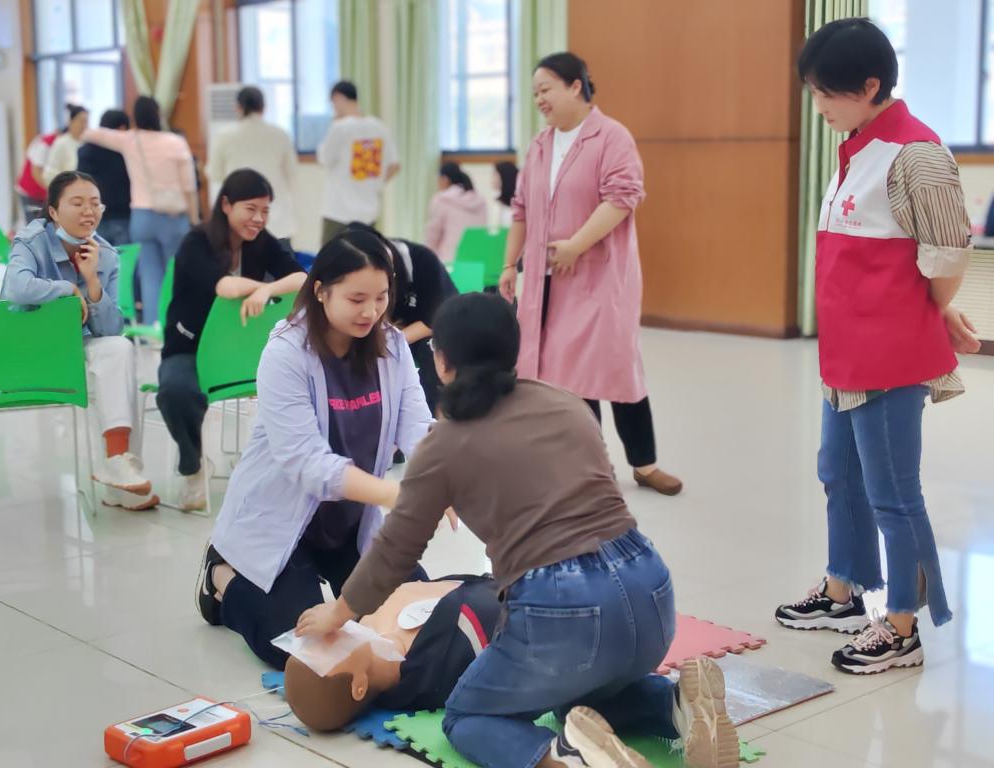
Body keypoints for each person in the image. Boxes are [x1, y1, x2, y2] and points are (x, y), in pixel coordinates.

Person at [296, 294, 739, 768]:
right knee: (578, 696)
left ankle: (570, 759)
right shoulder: (566, 403)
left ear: (441, 361)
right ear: (515, 351)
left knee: (467, 716)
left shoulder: (444, 443)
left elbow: (395, 551)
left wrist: (339, 613)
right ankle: (678, 706)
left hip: (565, 611)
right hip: (651, 590)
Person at [774, 19, 980, 675]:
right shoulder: (858, 147)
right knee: (837, 473)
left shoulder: (917, 154)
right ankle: (842, 589)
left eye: (824, 93)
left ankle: (901, 625)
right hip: (846, 352)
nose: (818, 106)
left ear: (868, 86)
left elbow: (946, 255)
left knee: (893, 492)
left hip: (889, 356)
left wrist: (936, 311)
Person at [194, 227, 438, 669]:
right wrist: (392, 493)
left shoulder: (392, 347)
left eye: (381, 297)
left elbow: (417, 426)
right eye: (357, 299)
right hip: (282, 523)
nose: (371, 311)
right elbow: (306, 463)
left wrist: (441, 477)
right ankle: (222, 577)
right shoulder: (286, 353)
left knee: (411, 620)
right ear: (321, 291)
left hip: (348, 521)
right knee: (298, 647)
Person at [498, 52, 682, 496]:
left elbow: (622, 197)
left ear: (575, 86)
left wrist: (576, 245)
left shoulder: (611, 136)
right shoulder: (540, 145)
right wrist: (508, 263)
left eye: (546, 89)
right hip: (545, 280)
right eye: (535, 92)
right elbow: (520, 209)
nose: (539, 99)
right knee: (565, 376)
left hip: (599, 277)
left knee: (616, 368)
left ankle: (645, 464)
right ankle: (590, 466)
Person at [1, 171, 157, 510]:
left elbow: (111, 330)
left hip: (76, 345)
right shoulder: (31, 241)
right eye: (77, 203)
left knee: (119, 351)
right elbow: (15, 288)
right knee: (112, 368)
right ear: (53, 211)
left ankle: (120, 466)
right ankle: (120, 480)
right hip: (31, 347)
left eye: (95, 203)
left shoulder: (105, 254)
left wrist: (92, 282)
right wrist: (68, 289)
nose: (89, 211)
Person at [157, 169, 307, 511]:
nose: (259, 219)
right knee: (175, 392)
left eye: (265, 211)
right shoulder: (196, 242)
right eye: (250, 209)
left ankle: (277, 468)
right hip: (189, 347)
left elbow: (302, 278)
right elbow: (225, 287)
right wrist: (266, 288)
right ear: (226, 204)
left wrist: (267, 289)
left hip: (238, 352)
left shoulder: (261, 242)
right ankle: (193, 465)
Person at [284, 575, 502, 731]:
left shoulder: (363, 622)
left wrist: (340, 610)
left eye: (309, 645)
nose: (324, 636)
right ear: (359, 686)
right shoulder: (435, 662)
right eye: (325, 651)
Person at [83, 96, 199, 324]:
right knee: (178, 272)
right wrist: (194, 217)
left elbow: (93, 134)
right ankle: (177, 324)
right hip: (173, 217)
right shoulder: (175, 142)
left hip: (142, 217)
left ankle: (153, 327)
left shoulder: (130, 140)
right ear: (158, 115)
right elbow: (189, 185)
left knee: (150, 274)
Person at [348, 223, 457, 414]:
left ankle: (431, 417)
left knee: (431, 349)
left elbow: (434, 321)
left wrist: (389, 340)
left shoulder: (422, 260)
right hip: (387, 331)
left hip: (430, 331)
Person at [205, 86, 299, 253]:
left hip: (240, 224)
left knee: (241, 269)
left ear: (238, 107)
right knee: (282, 267)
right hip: (277, 220)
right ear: (263, 107)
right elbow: (292, 172)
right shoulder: (280, 134)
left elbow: (215, 174)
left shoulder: (224, 136)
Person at [317, 81, 400, 245]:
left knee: (330, 258)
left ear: (338, 98)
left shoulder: (340, 127)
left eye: (333, 104)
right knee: (364, 256)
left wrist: (334, 123)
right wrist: (376, 184)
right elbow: (395, 166)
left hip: (338, 211)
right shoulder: (380, 127)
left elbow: (324, 159)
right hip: (368, 212)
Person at [77, 109, 133, 247]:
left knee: (97, 257)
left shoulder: (84, 151)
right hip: (121, 215)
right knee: (123, 258)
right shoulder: (125, 152)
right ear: (122, 128)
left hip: (93, 216)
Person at [424, 162, 488, 264]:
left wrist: (426, 258)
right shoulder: (481, 201)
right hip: (476, 262)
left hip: (449, 263)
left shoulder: (441, 200)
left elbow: (432, 235)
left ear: (444, 179)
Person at [15, 129, 58, 223]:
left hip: (42, 193)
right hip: (31, 191)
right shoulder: (46, 144)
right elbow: (36, 172)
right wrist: (54, 192)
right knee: (35, 226)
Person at [43, 104, 89, 187]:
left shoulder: (88, 144)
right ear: (70, 122)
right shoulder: (61, 143)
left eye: (86, 121)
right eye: (81, 121)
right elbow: (49, 173)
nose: (84, 125)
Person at [494, 160, 519, 228]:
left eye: (495, 175)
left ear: (504, 176)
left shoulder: (517, 205)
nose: (492, 179)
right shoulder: (498, 201)